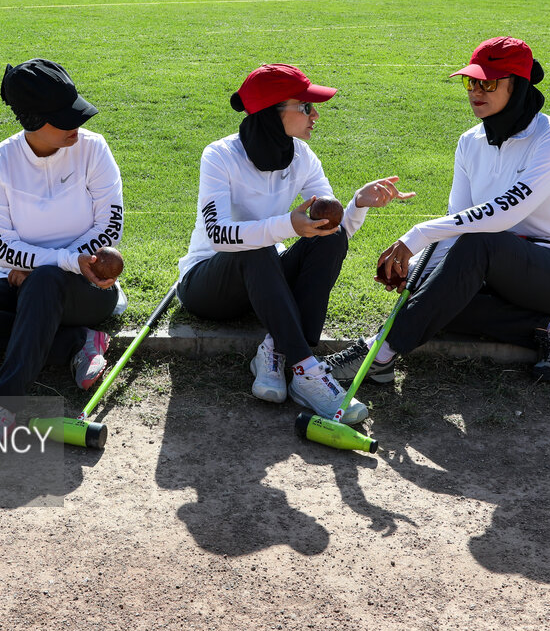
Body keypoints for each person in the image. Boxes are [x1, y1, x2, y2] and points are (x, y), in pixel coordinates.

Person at [327, 36, 550, 387]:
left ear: (517, 85)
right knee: (432, 292)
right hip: (501, 275)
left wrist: (419, 233)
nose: (476, 91)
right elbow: (457, 225)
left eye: (488, 82)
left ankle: (378, 354)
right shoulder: (469, 141)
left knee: (478, 246)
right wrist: (419, 274)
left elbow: (506, 212)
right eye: (471, 81)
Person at [177, 63, 413, 424]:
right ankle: (307, 370)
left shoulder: (303, 156)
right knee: (255, 244)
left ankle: (274, 348)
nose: (315, 115)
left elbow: (328, 231)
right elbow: (218, 235)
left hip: (265, 283)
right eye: (305, 107)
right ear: (272, 114)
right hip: (208, 286)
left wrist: (357, 204)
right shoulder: (220, 156)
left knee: (329, 239)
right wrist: (287, 225)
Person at [0, 59, 126, 464]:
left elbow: (110, 227)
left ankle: (1, 407)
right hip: (17, 281)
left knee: (42, 281)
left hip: (88, 289)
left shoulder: (94, 149)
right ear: (33, 120)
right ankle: (76, 342)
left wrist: (58, 266)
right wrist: (58, 261)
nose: (77, 122)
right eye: (64, 117)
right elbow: (2, 248)